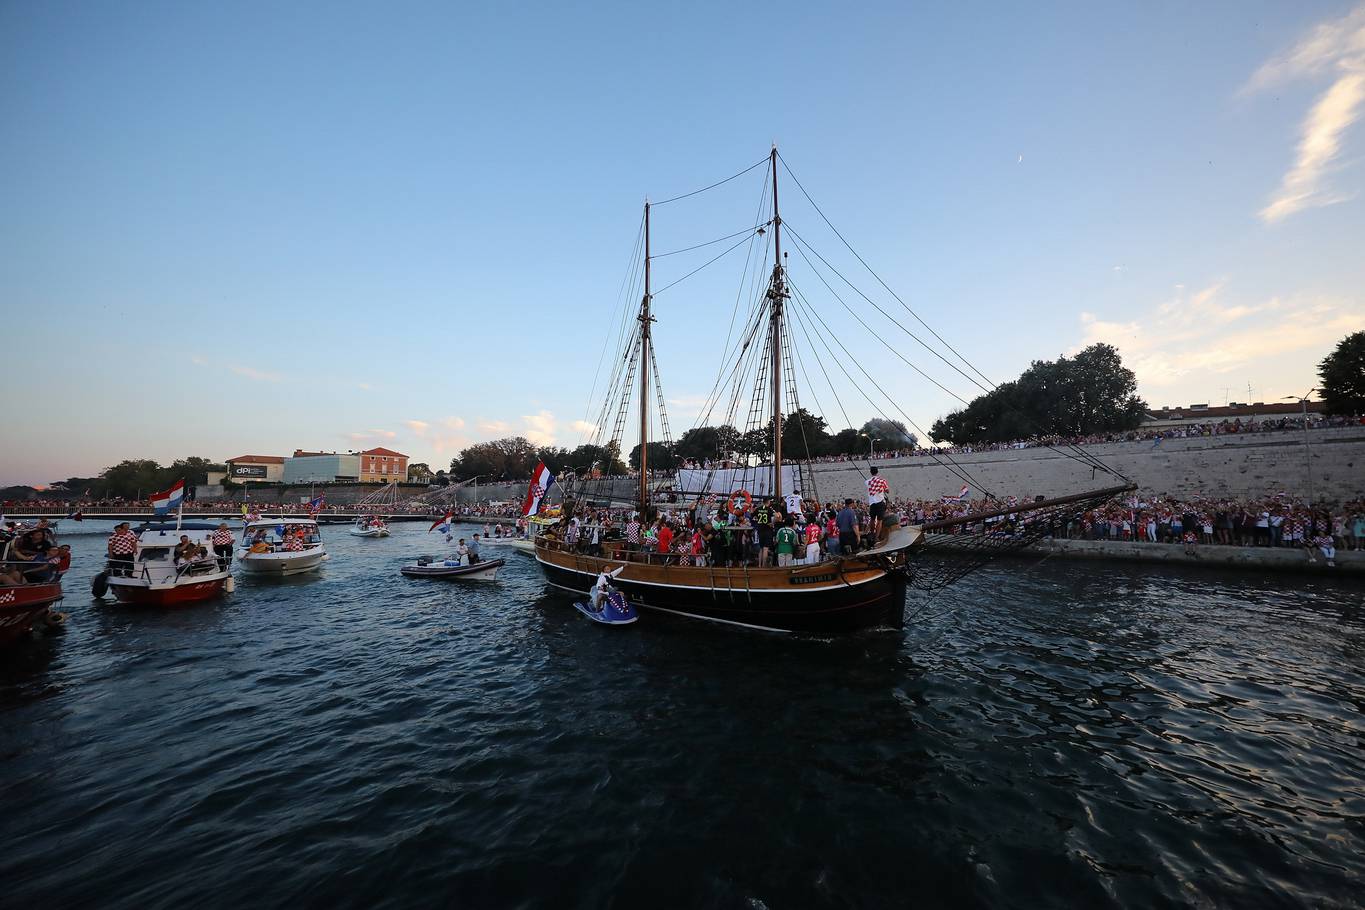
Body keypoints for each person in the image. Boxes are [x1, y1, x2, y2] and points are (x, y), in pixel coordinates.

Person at [866, 466, 890, 542]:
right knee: (880, 521)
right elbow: (887, 491)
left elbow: (871, 487)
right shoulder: (882, 481)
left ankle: (872, 533)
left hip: (872, 503)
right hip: (880, 502)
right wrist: (881, 489)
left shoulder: (867, 482)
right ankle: (876, 537)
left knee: (872, 519)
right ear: (877, 472)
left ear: (870, 472)